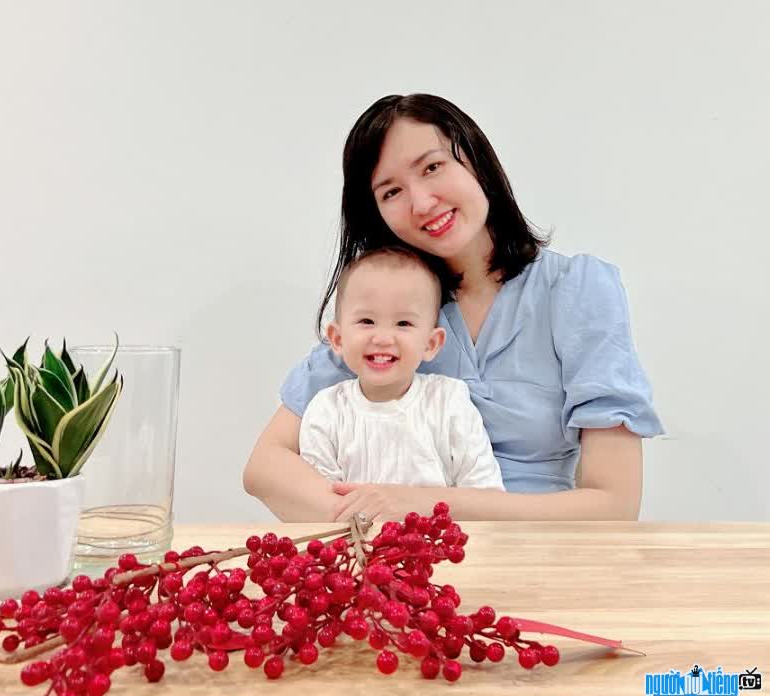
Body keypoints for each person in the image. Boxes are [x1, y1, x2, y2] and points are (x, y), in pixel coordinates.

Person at [243, 93, 663, 523]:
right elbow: (265, 467)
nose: (422, 202)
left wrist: (427, 506)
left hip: (542, 554)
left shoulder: (577, 289)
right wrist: (373, 519)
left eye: (432, 167)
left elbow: (614, 504)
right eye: (391, 191)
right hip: (407, 561)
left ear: (476, 160)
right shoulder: (387, 308)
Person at [298, 245, 504, 493]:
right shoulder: (327, 412)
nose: (383, 338)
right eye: (367, 321)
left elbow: (484, 493)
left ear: (431, 343)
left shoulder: (448, 402)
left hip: (444, 530)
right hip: (356, 530)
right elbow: (323, 502)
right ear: (338, 339)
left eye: (403, 323)